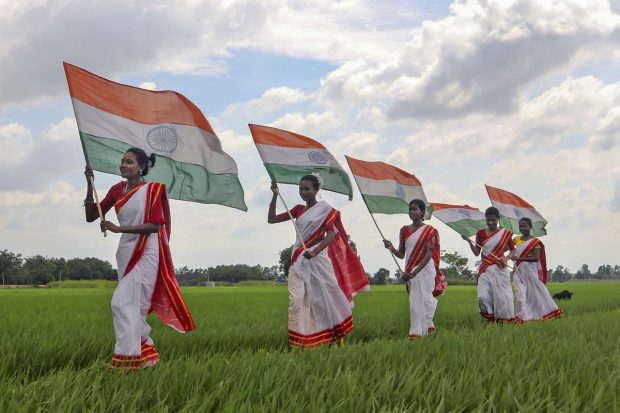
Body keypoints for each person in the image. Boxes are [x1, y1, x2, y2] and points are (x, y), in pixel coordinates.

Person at [84, 147, 195, 370]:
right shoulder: (117, 190)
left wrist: (119, 228)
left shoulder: (151, 191)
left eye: (129, 162)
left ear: (141, 167)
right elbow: (91, 216)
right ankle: (148, 360)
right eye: (122, 161)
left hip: (146, 251)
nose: (123, 165)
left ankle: (125, 361)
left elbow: (154, 226)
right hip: (126, 251)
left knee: (121, 302)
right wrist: (89, 182)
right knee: (133, 307)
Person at [268, 174, 369, 348]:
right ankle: (299, 343)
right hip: (298, 260)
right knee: (297, 301)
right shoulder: (298, 209)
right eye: (301, 189)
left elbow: (331, 235)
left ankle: (337, 337)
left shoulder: (325, 210)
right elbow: (272, 219)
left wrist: (315, 251)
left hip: (318, 260)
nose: (303, 192)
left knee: (325, 299)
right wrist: (275, 195)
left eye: (307, 189)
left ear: (316, 190)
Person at [383, 199, 446, 340]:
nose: (411, 211)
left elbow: (429, 254)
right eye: (410, 209)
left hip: (424, 270)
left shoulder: (429, 230)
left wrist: (414, 273)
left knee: (425, 300)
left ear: (422, 212)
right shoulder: (404, 230)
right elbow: (401, 254)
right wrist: (391, 247)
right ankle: (424, 329)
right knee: (415, 302)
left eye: (415, 209)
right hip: (410, 270)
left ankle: (417, 333)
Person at [462, 207, 515, 323]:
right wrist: (469, 241)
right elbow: (477, 253)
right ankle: (489, 319)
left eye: (493, 220)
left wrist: (506, 258)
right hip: (485, 269)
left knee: (502, 298)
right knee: (482, 296)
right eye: (488, 220)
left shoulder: (505, 233)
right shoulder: (480, 233)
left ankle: (503, 321)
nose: (491, 223)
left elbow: (512, 250)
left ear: (498, 219)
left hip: (500, 268)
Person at [509, 217, 563, 321]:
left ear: (530, 227)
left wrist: (518, 258)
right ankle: (521, 318)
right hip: (518, 271)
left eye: (524, 226)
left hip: (530, 271)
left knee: (536, 293)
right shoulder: (516, 239)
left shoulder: (535, 242)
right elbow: (506, 247)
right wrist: (505, 236)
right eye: (520, 226)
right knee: (520, 294)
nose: (522, 228)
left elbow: (536, 258)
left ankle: (544, 312)